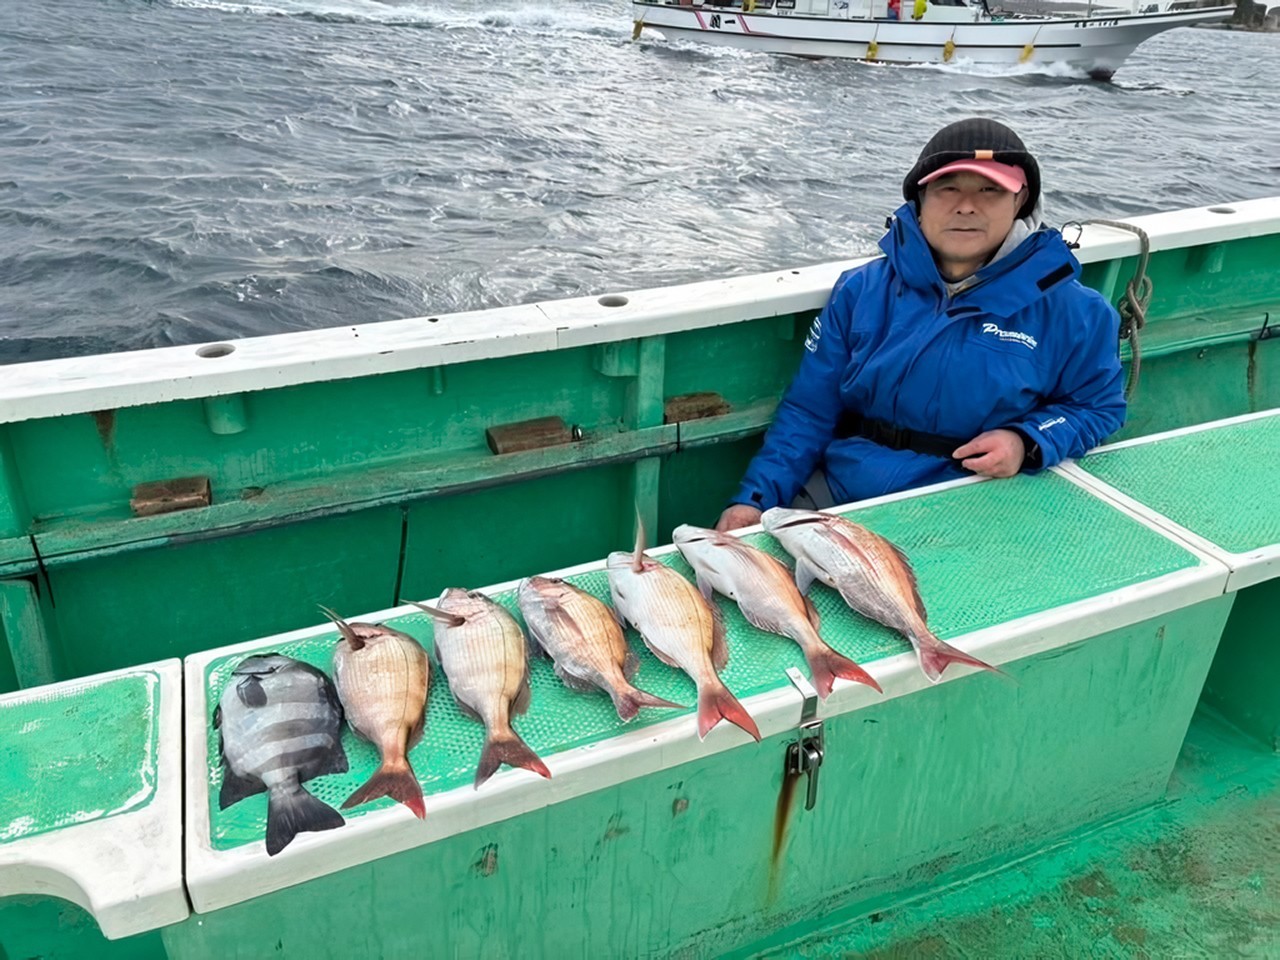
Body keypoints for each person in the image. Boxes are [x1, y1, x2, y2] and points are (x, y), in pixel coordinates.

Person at [717, 117, 1126, 532]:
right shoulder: (861, 290)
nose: (966, 206)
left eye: (990, 189)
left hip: (977, 497)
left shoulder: (1078, 312)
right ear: (920, 197)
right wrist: (755, 499)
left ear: (1021, 202)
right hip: (844, 486)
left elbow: (1097, 407)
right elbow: (809, 411)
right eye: (948, 188)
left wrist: (1027, 441)